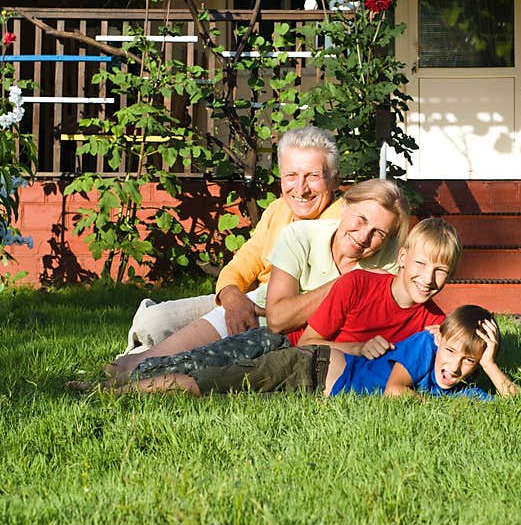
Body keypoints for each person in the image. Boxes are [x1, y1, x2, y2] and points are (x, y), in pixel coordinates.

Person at [92, 216, 457, 391]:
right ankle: (115, 375)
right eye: (421, 264)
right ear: (404, 257)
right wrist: (359, 347)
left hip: (304, 368)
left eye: (441, 270)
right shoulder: (359, 283)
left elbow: (456, 353)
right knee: (195, 360)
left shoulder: (432, 324)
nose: (428, 278)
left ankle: (126, 381)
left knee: (208, 378)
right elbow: (312, 341)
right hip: (282, 342)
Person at [106, 177, 410, 383]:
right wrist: (349, 281)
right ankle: (124, 363)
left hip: (297, 343)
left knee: (200, 367)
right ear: (345, 208)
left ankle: (140, 363)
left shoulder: (392, 260)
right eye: (361, 220)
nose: (365, 237)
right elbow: (277, 319)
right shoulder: (300, 235)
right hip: (258, 315)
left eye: (379, 233)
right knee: (147, 354)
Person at [110, 125, 344, 367]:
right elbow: (242, 263)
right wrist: (232, 297)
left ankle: (137, 364)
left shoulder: (344, 222)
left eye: (313, 176)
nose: (301, 189)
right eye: (291, 176)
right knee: (154, 321)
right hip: (246, 300)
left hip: (273, 312)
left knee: (161, 330)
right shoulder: (278, 209)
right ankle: (137, 361)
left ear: (335, 179)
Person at [103, 305, 519, 401]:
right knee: (208, 384)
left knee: (221, 380)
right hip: (309, 368)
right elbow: (395, 393)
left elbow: (515, 406)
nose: (454, 367)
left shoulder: (457, 385)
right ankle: (113, 389)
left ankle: (122, 381)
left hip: (310, 384)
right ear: (438, 339)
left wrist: (490, 365)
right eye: (452, 352)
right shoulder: (421, 349)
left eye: (468, 361)